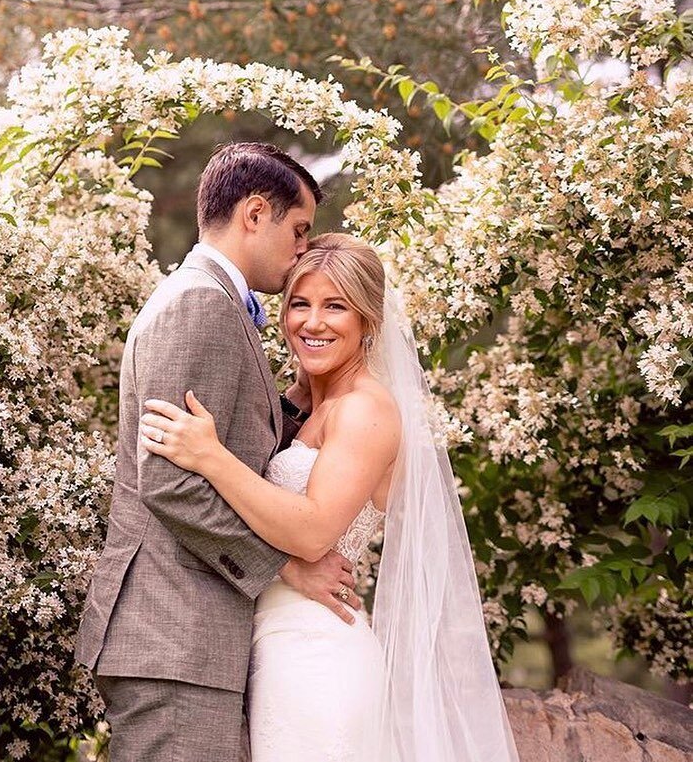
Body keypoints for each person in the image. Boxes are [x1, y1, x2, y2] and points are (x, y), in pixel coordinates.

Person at [141, 233, 521, 762]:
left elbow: (315, 530)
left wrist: (210, 456)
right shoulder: (310, 408)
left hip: (317, 660)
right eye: (300, 303)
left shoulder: (366, 410)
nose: (312, 323)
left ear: (367, 320)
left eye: (335, 307)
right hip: (275, 650)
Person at [74, 143, 364, 762]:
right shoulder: (199, 305)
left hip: (194, 638)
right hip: (174, 632)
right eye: (299, 229)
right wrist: (285, 568)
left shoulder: (215, 304)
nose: (303, 249)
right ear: (255, 214)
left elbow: (235, 446)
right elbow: (172, 483)